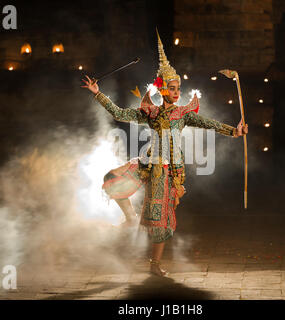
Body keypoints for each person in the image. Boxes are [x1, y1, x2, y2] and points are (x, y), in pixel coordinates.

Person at [81, 30, 248, 276]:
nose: (176, 91)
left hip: (169, 172)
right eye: (172, 88)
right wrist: (98, 93)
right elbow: (120, 114)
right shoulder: (150, 112)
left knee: (160, 220)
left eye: (178, 88)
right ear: (163, 89)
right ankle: (129, 219)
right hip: (148, 163)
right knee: (112, 179)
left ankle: (155, 265)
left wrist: (235, 131)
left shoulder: (183, 114)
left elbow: (209, 124)